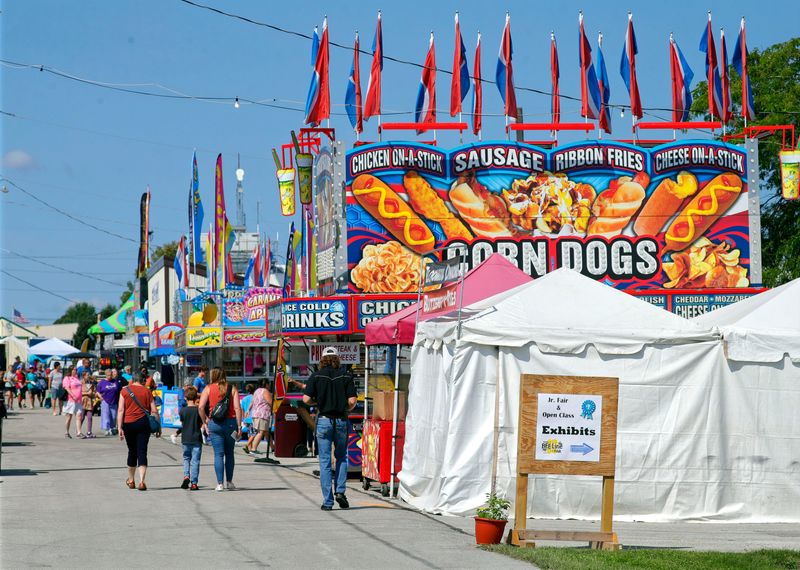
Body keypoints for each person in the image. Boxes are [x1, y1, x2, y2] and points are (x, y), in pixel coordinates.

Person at [303, 347, 357, 511]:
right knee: (341, 457)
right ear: (337, 359)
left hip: (324, 421)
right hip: (341, 420)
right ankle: (340, 491)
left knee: (325, 462)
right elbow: (352, 401)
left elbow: (305, 399)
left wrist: (317, 403)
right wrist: (344, 408)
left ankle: (328, 501)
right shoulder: (346, 375)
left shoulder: (316, 376)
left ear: (322, 360)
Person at [198, 368, 242, 492]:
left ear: (213, 376)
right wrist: (239, 426)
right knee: (230, 453)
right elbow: (238, 408)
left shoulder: (208, 388)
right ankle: (229, 482)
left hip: (215, 424)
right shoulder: (232, 388)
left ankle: (219, 484)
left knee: (218, 454)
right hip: (230, 425)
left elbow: (201, 407)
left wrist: (205, 421)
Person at [118, 370, 160, 491]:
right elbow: (154, 411)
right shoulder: (147, 391)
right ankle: (142, 481)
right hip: (143, 424)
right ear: (142, 380)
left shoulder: (124, 391)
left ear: (132, 380)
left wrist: (119, 427)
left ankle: (131, 480)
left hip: (128, 423)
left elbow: (121, 410)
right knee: (142, 451)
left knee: (132, 451)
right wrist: (158, 426)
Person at [178, 386, 203, 490]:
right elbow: (201, 423)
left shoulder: (183, 410)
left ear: (185, 397)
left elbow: (182, 422)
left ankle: (186, 476)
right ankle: (194, 483)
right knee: (195, 461)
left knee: (186, 458)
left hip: (185, 438)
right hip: (196, 438)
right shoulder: (198, 410)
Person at [245, 380, 273, 457]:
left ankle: (273, 448)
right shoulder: (265, 391)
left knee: (266, 432)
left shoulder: (257, 391)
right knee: (261, 432)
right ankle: (253, 449)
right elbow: (271, 402)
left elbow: (252, 402)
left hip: (255, 414)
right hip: (263, 414)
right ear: (266, 384)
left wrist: (248, 410)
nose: (269, 386)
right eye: (269, 384)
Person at [97, 369, 121, 436]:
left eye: (110, 375)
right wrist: (100, 397)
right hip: (105, 401)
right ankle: (107, 429)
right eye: (108, 375)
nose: (109, 377)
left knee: (113, 416)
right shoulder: (102, 382)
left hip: (114, 401)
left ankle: (112, 427)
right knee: (106, 416)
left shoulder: (115, 382)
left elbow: (120, 390)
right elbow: (97, 391)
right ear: (106, 375)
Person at [62, 367, 83, 438]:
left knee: (79, 416)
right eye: (74, 369)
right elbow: (67, 388)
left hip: (79, 400)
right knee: (69, 417)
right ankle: (66, 432)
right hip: (70, 400)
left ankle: (79, 432)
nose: (75, 371)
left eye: (76, 370)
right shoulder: (67, 378)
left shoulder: (77, 378)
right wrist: (73, 395)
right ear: (70, 370)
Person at [77, 371, 97, 438]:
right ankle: (78, 431)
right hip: (82, 401)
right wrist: (86, 393)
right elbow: (78, 392)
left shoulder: (91, 383)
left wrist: (93, 394)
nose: (88, 376)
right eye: (87, 375)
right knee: (81, 417)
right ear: (84, 376)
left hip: (89, 402)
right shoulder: (80, 382)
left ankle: (89, 432)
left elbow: (94, 391)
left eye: (89, 375)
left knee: (90, 417)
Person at [240, 383, 255, 453]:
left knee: (249, 433)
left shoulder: (244, 399)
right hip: (253, 418)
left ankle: (250, 448)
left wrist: (243, 419)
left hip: (246, 418)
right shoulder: (254, 397)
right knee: (253, 433)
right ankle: (249, 447)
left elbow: (242, 409)